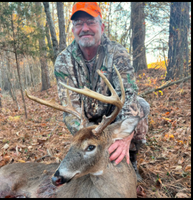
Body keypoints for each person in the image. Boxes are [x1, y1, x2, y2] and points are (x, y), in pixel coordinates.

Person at [54, 2, 150, 182]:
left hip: (112, 120)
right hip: (87, 123)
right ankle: (88, 161)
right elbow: (68, 108)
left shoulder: (117, 53)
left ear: (101, 26)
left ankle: (131, 158)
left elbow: (128, 95)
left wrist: (123, 136)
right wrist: (86, 134)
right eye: (78, 23)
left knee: (141, 106)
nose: (84, 28)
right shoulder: (63, 61)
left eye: (90, 22)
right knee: (87, 145)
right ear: (73, 29)